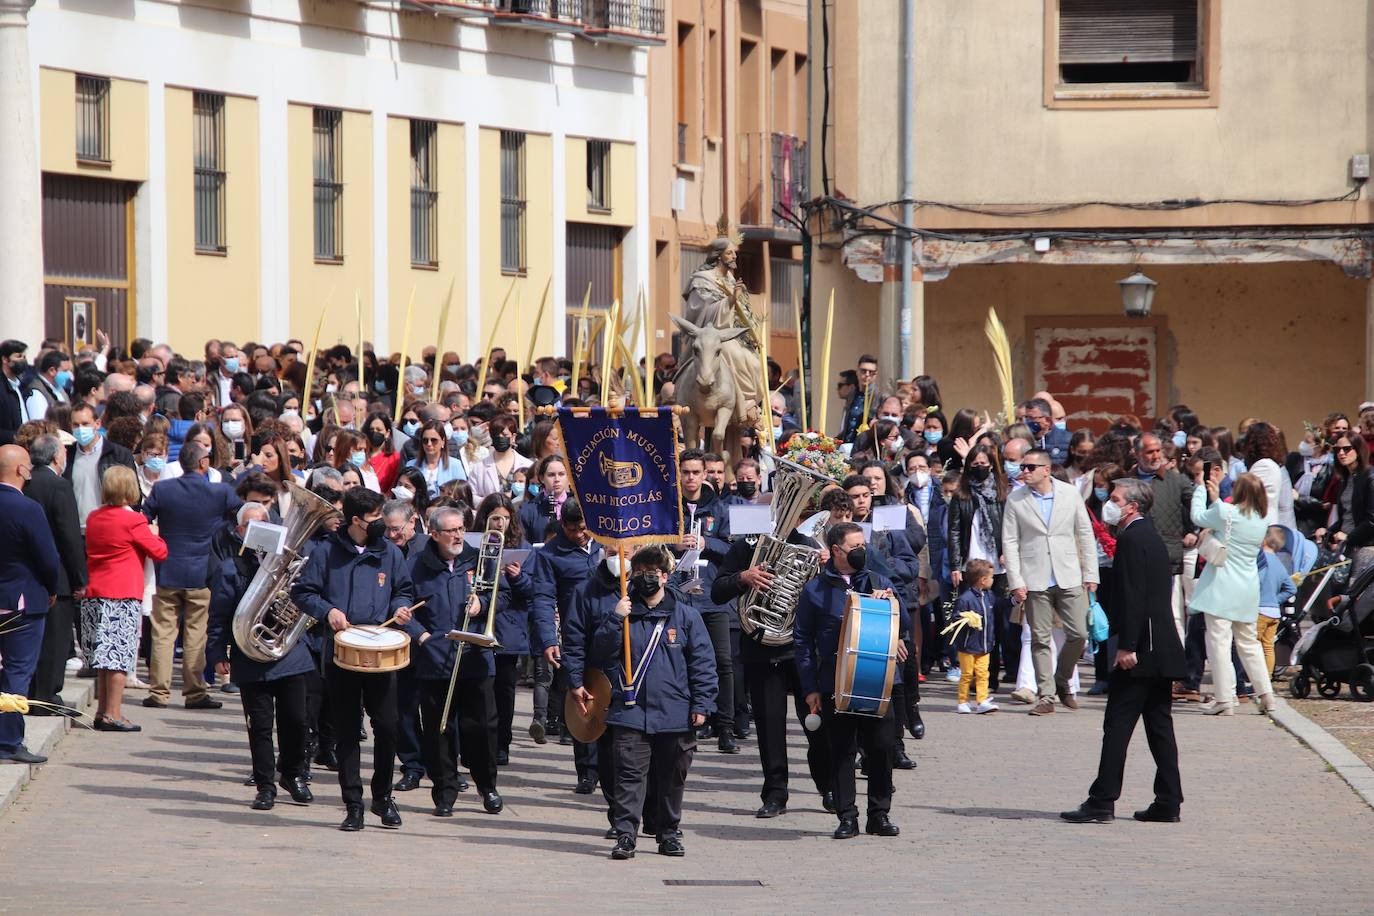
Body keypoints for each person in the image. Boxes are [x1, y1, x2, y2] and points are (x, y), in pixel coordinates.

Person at [292, 486, 416, 831]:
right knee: (346, 730)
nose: (383, 525)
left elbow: (402, 589)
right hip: (342, 652)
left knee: (388, 726)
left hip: (380, 650)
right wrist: (327, 610)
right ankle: (353, 804)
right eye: (376, 519)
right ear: (358, 520)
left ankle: (382, 796)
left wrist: (399, 608)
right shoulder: (326, 552)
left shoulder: (390, 553)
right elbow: (303, 591)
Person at [1062, 478, 1185, 825]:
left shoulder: (1132, 538)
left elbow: (1135, 597)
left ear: (1132, 506)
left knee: (1117, 725)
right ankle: (1168, 800)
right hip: (1159, 646)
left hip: (1141, 649)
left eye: (1115, 499)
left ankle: (1102, 800)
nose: (1109, 504)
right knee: (1159, 727)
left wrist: (1128, 646)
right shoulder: (1150, 536)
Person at [590, 546, 716, 860]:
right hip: (631, 712)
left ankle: (668, 834)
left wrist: (702, 704)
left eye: (652, 573)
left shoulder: (686, 616)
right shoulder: (623, 613)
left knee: (672, 778)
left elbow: (703, 663)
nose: (646, 578)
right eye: (640, 572)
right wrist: (615, 620)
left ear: (665, 576)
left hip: (676, 713)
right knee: (629, 779)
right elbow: (601, 655)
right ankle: (625, 836)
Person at [711, 528, 836, 819]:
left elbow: (836, 592)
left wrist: (828, 568)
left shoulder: (809, 546)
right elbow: (717, 591)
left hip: (802, 650)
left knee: (817, 725)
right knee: (769, 729)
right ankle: (775, 793)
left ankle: (829, 786)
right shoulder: (748, 546)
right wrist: (743, 577)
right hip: (762, 649)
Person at [795, 522, 908, 840]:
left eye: (864, 546)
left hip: (878, 681)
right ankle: (847, 817)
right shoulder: (815, 590)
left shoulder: (879, 580)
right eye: (854, 548)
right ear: (835, 551)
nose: (862, 552)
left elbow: (904, 624)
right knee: (842, 750)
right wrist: (810, 688)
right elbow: (802, 641)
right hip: (836, 682)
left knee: (882, 748)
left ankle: (879, 814)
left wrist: (889, 603)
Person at [206, 503, 314, 810]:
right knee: (260, 725)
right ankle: (265, 785)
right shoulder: (230, 568)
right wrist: (215, 651)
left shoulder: (289, 563)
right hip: (251, 656)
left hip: (289, 653)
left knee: (296, 719)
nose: (258, 533)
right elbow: (219, 615)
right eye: (251, 527)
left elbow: (306, 597)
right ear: (240, 532)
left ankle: (292, 774)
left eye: (264, 526)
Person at [405, 506, 504, 817]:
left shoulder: (478, 559)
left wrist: (483, 602)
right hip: (436, 659)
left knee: (483, 727)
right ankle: (444, 791)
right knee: (439, 729)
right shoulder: (416, 566)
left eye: (462, 528)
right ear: (434, 534)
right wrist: (421, 637)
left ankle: (487, 786)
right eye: (452, 530)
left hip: (475, 657)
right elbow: (400, 603)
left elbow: (503, 594)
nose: (460, 535)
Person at [141, 443, 242, 711]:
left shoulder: (162, 489)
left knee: (163, 633)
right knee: (196, 634)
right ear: (204, 463)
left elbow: (144, 518)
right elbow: (242, 515)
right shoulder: (220, 491)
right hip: (203, 573)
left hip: (168, 570)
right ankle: (195, 692)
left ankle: (158, 692)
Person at [1001, 448, 1098, 716]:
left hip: (1068, 574)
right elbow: (1009, 541)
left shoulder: (1069, 493)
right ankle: (1046, 695)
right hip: (1035, 578)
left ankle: (1062, 679)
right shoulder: (1016, 499)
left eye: (1030, 467)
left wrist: (1091, 574)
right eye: (1023, 466)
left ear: (1046, 469)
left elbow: (1085, 533)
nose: (1024, 472)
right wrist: (1016, 581)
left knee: (1079, 633)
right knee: (1040, 638)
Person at [1187, 470, 1276, 715]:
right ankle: (1266, 695)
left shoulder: (1227, 512)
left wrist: (1200, 489)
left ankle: (1225, 698)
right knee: (1249, 644)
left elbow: (1198, 516)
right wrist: (1215, 499)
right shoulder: (1261, 519)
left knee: (1219, 643)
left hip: (1221, 586)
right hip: (1247, 588)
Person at [528, 504, 601, 782]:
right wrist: (548, 639)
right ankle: (586, 771)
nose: (580, 534)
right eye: (573, 530)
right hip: (575, 636)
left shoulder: (607, 543)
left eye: (583, 528)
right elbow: (543, 599)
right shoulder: (549, 554)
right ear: (562, 525)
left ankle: (610, 767)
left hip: (612, 632)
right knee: (581, 699)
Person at [0, 444, 61, 763]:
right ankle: (8, 740)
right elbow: (48, 558)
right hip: (21, 601)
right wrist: (52, 588)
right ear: (22, 470)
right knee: (17, 672)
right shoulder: (27, 509)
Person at [22, 434, 87, 715]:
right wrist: (79, 578)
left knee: (32, 641)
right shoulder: (58, 486)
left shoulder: (23, 483)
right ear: (56, 457)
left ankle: (35, 693)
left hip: (24, 575)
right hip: (57, 576)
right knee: (55, 641)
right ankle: (47, 697)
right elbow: (69, 537)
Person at [65, 402, 138, 529]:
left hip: (111, 529)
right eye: (76, 425)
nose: (80, 429)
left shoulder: (118, 454)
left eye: (85, 423)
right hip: (78, 531)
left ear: (97, 424)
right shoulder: (66, 456)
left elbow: (133, 495)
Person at [951, 559, 998, 714]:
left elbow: (1000, 606)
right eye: (991, 577)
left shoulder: (989, 596)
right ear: (983, 580)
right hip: (967, 646)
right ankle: (963, 701)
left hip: (984, 645)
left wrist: (1012, 601)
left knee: (983, 673)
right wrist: (967, 619)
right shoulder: (965, 599)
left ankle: (982, 700)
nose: (993, 580)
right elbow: (955, 618)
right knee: (967, 674)